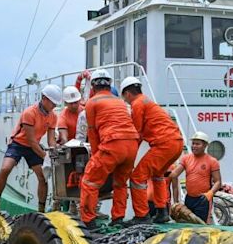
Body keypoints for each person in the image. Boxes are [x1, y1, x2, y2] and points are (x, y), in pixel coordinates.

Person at [0, 84, 61, 219]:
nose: (55, 106)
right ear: (44, 98)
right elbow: (31, 141)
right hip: (19, 144)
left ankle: (41, 210)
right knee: (5, 169)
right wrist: (46, 157)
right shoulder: (29, 113)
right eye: (53, 103)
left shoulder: (53, 117)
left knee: (42, 177)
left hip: (33, 147)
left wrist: (55, 150)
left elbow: (51, 140)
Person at [80, 69, 139, 229]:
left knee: (89, 181)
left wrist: (95, 155)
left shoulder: (92, 103)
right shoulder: (120, 101)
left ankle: (88, 221)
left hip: (113, 144)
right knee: (120, 184)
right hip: (132, 144)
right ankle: (118, 218)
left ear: (93, 86)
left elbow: (92, 132)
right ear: (109, 84)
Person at [120, 76, 183, 223]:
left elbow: (137, 133)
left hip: (164, 144)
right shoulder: (147, 101)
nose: (126, 101)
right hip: (176, 143)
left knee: (137, 177)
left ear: (128, 93)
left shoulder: (137, 104)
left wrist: (128, 156)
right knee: (158, 175)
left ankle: (142, 216)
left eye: (125, 98)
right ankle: (162, 212)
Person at [170, 131, 222, 223]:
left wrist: (210, 194)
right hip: (189, 198)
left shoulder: (212, 161)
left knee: (201, 226)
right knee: (188, 225)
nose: (194, 146)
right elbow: (174, 175)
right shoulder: (186, 158)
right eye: (193, 143)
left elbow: (218, 182)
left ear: (205, 145)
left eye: (197, 144)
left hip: (203, 199)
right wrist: (176, 200)